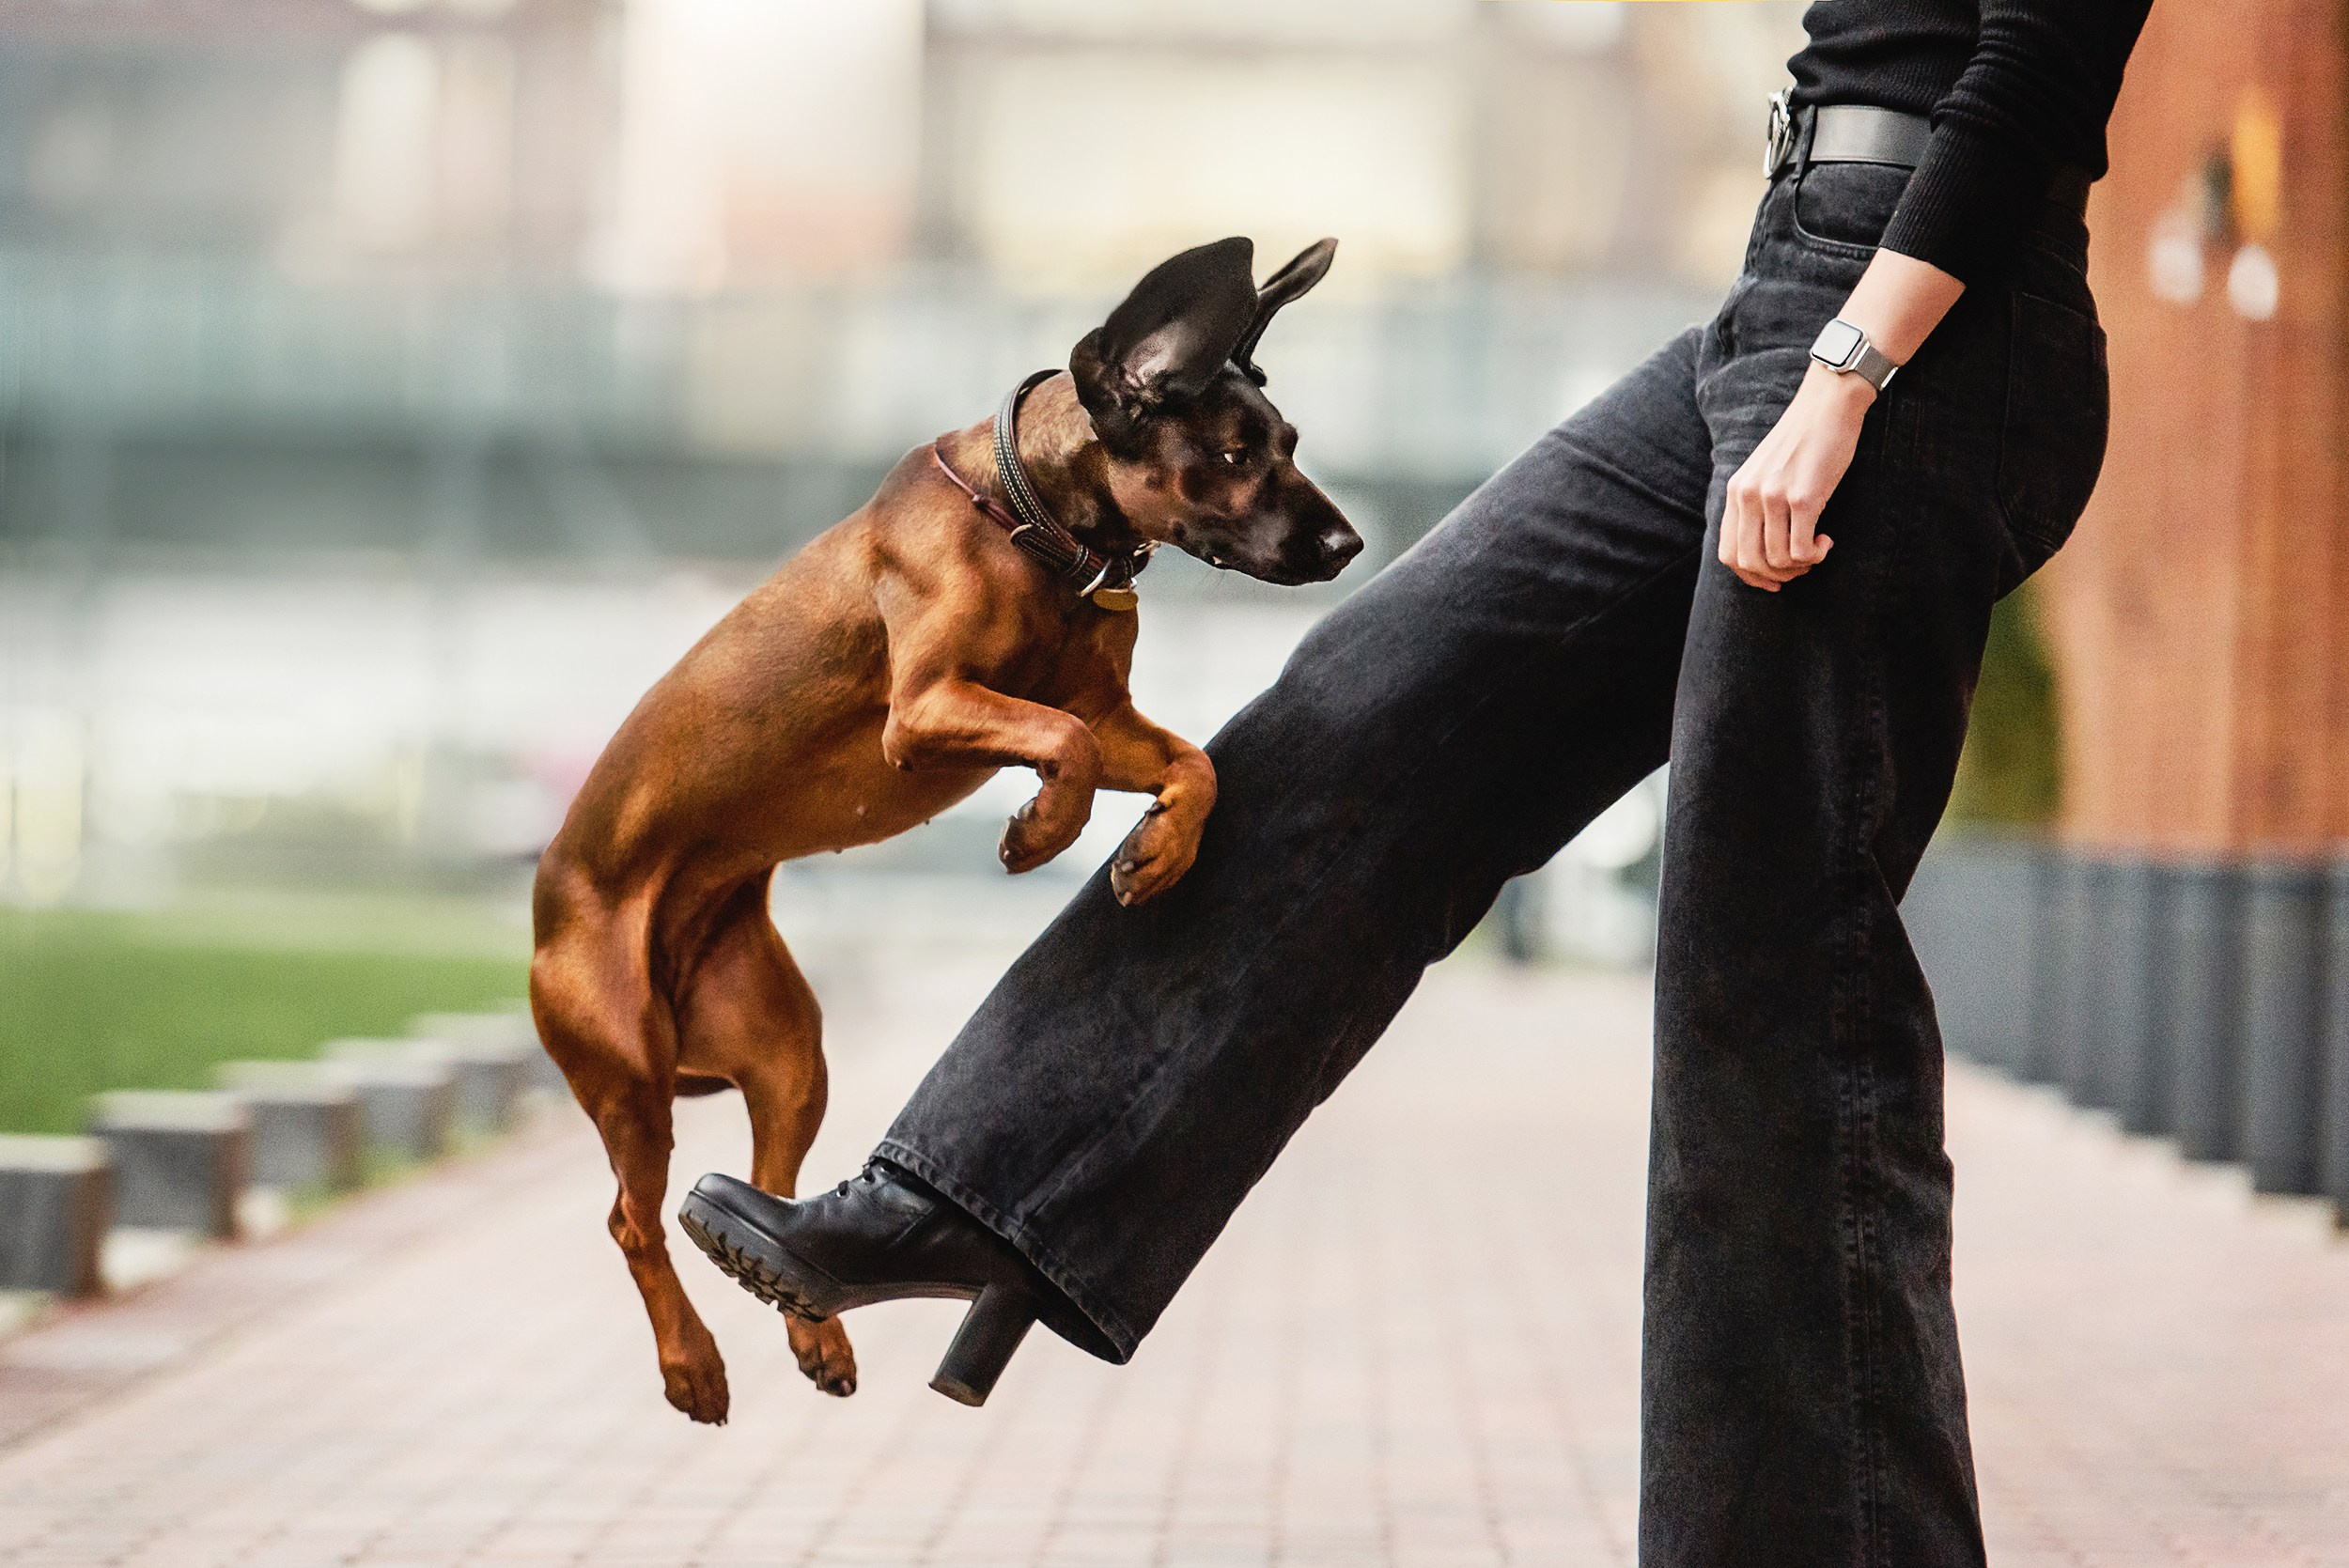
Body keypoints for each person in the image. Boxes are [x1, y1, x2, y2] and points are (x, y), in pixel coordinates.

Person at [683, 4, 2152, 1560]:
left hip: (1923, 325)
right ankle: (976, 1191)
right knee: (1372, 712)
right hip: (1786, 277)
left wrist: (1851, 373)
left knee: (1775, 985)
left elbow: (2043, 66)